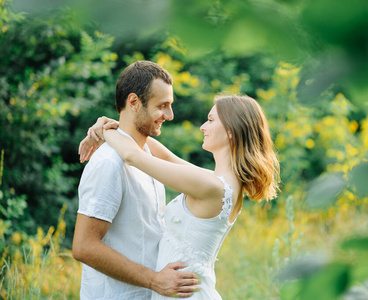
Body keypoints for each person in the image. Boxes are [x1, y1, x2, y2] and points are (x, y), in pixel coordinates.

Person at [82, 94, 280, 299]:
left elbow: (133, 156)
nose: (203, 127)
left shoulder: (212, 186)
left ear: (231, 131)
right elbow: (165, 156)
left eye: (211, 120)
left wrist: (104, 131)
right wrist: (120, 127)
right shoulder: (218, 182)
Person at [72, 60, 200, 299]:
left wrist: (110, 128)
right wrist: (154, 280)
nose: (169, 115)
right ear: (133, 102)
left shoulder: (146, 155)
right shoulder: (109, 163)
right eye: (162, 106)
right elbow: (83, 246)